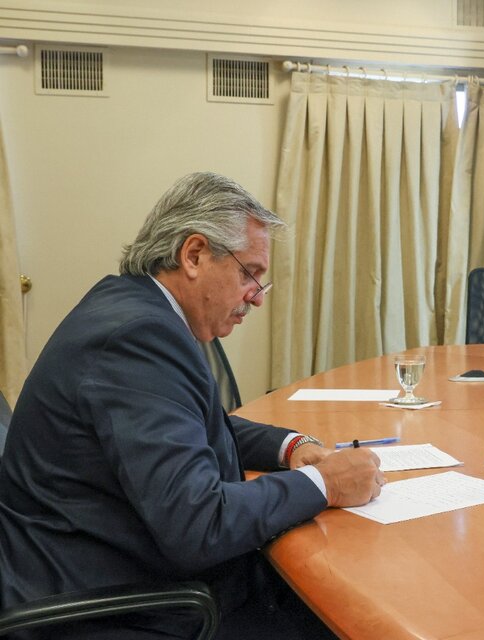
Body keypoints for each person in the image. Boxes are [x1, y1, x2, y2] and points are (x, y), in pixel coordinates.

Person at [0, 173, 386, 639]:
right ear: (195, 254)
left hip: (99, 568)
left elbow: (202, 427)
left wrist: (290, 447)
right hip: (119, 607)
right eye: (251, 274)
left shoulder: (131, 307)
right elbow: (199, 524)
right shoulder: (138, 338)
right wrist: (326, 483)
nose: (258, 299)